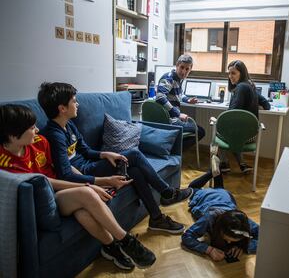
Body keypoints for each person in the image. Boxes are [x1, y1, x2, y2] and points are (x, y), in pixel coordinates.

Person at [0, 104, 156, 270]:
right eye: (31, 128)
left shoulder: (39, 142)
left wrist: (85, 180)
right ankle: (126, 241)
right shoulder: (6, 164)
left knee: (82, 211)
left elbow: (64, 168)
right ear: (12, 135)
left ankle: (112, 247)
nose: (37, 130)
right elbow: (46, 182)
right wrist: (89, 184)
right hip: (45, 200)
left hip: (63, 191)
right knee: (86, 193)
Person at [38, 82, 193, 235]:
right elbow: (66, 174)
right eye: (73, 101)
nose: (77, 104)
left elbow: (85, 150)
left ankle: (156, 218)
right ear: (62, 108)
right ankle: (167, 193)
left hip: (90, 164)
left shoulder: (68, 125)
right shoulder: (53, 136)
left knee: (134, 170)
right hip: (83, 172)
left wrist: (106, 154)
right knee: (134, 154)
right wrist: (102, 180)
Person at [181, 178, 259, 262]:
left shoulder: (243, 222)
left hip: (224, 194)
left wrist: (244, 246)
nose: (229, 243)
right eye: (227, 239)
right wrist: (209, 250)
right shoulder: (209, 218)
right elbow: (187, 236)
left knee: (219, 187)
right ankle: (212, 173)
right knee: (193, 187)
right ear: (220, 227)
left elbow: (265, 237)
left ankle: (217, 173)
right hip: (203, 195)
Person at [219, 60, 270, 174]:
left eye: (233, 73)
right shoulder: (250, 85)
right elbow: (267, 105)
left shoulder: (241, 87)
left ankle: (224, 164)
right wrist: (253, 104)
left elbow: (231, 114)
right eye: (229, 73)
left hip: (243, 136)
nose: (230, 76)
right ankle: (242, 164)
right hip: (251, 135)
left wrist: (220, 121)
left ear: (241, 73)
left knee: (219, 128)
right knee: (235, 129)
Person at [156, 54, 205, 150]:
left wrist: (188, 100)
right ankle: (174, 150)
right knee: (200, 131)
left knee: (198, 130)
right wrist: (178, 114)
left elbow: (179, 94)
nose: (184, 71)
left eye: (187, 69)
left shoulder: (178, 79)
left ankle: (172, 148)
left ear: (190, 70)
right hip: (170, 121)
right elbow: (160, 97)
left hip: (172, 119)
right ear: (177, 65)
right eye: (182, 67)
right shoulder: (169, 78)